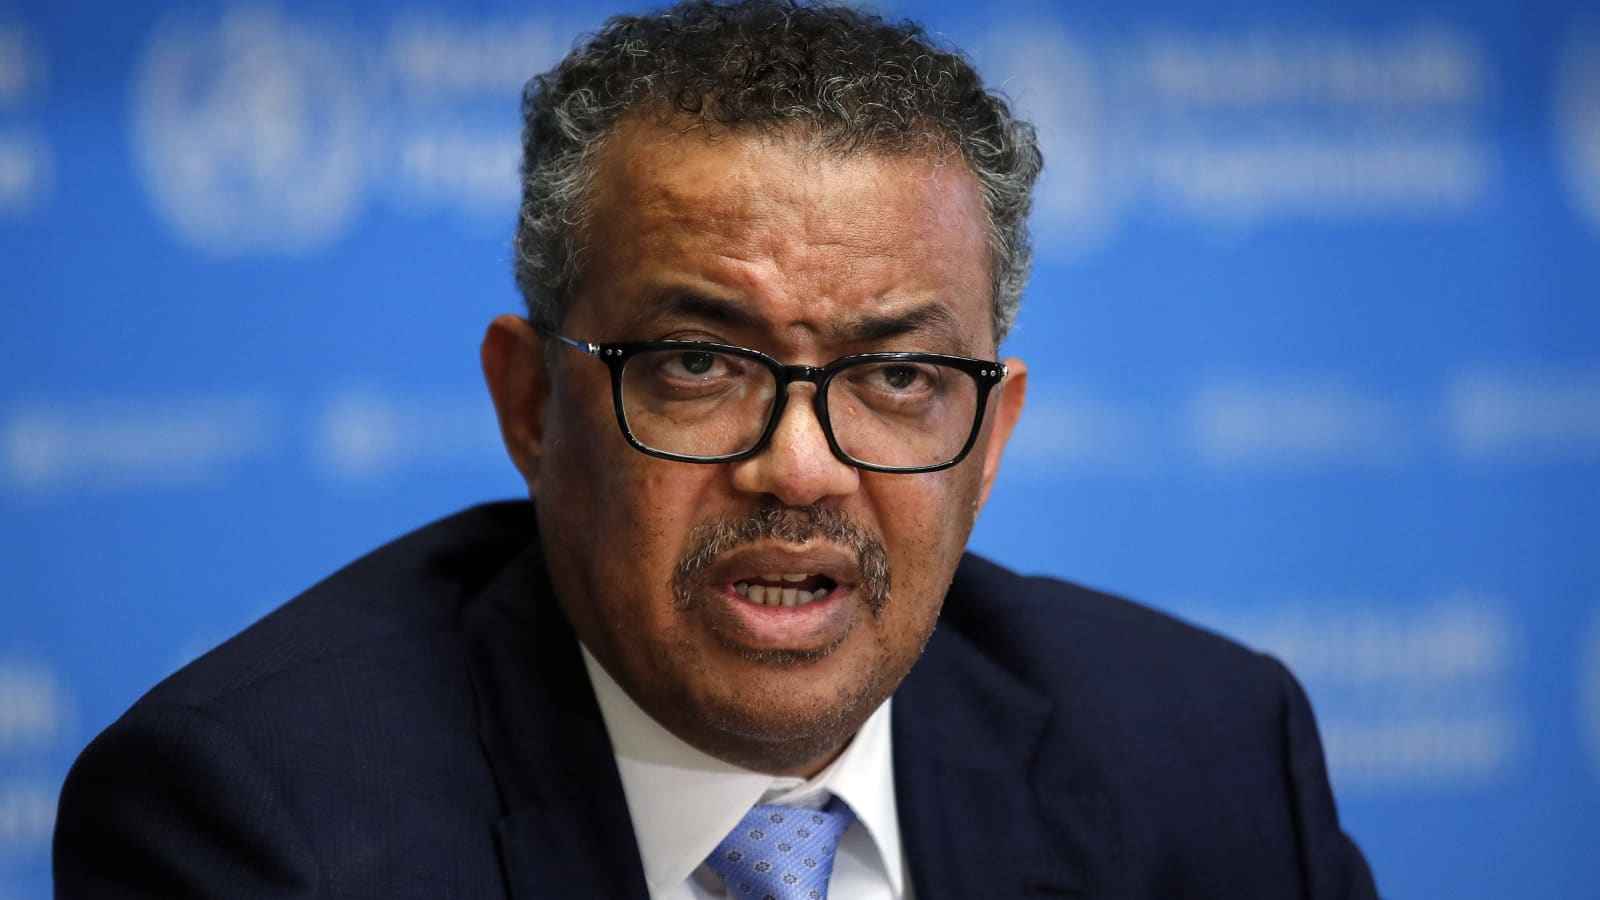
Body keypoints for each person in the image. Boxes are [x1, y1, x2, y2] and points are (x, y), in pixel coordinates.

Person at [54, 1, 1378, 897]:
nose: (801, 468)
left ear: (991, 439)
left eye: (899, 377)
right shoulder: (258, 827)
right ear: (532, 404)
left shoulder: (1208, 758)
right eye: (699, 364)